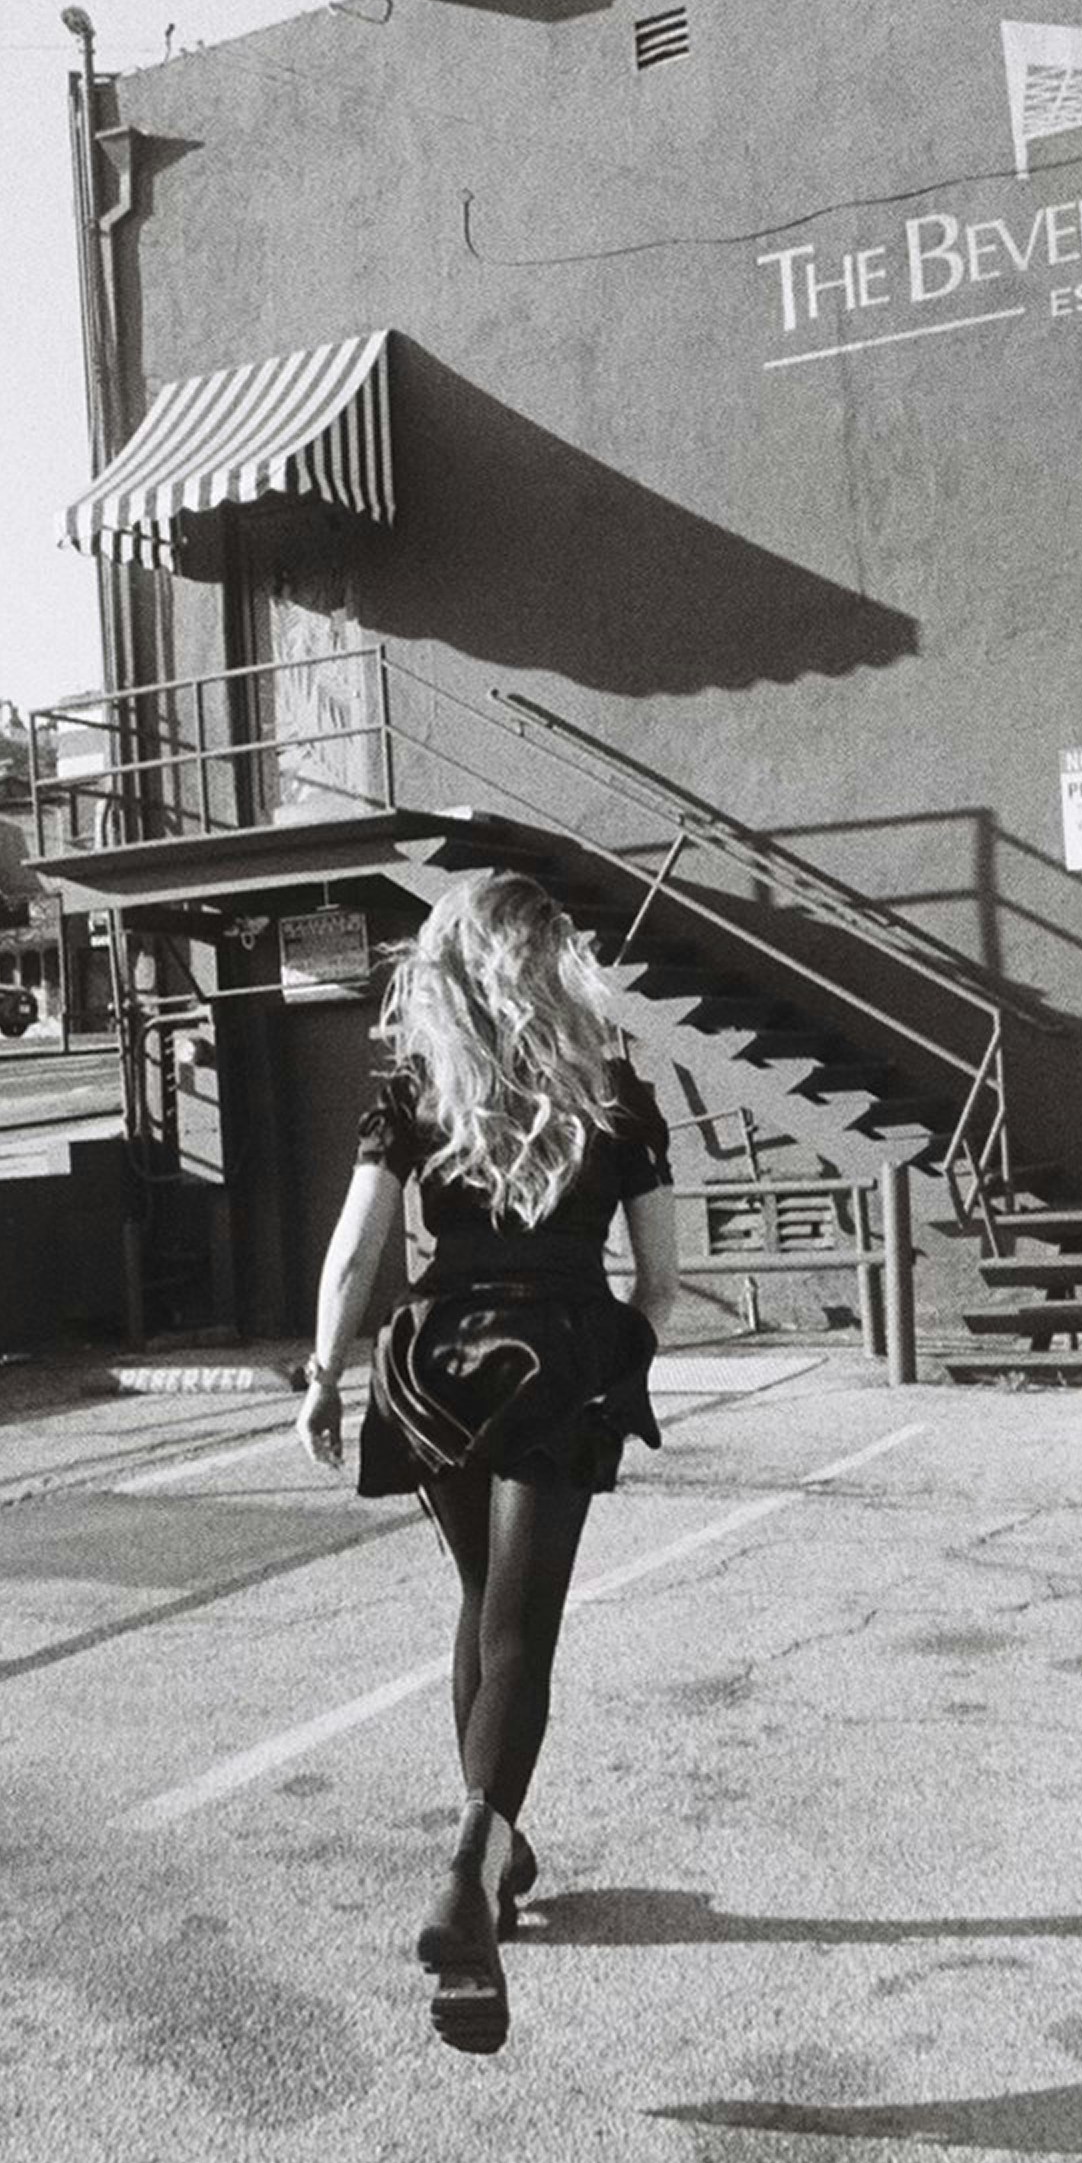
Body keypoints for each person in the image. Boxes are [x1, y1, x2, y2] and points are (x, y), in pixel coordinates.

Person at [294, 872, 681, 2057]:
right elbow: (659, 1280)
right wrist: (622, 1361)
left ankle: (498, 1858)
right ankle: (471, 1854)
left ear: (448, 962)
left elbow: (360, 1243)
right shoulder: (616, 1085)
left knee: (481, 1597)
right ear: (554, 960)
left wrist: (321, 1368)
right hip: (562, 1349)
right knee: (523, 1619)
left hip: (436, 1353)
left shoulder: (414, 1083)